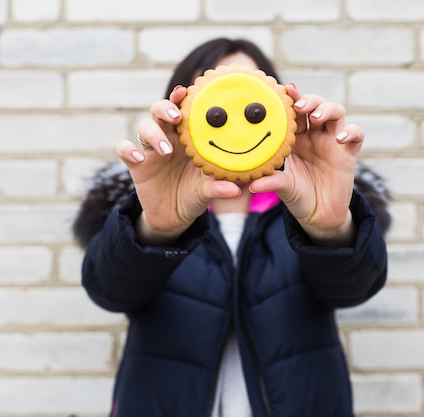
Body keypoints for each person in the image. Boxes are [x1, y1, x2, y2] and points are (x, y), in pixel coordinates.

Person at [73, 38, 390, 417]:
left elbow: (354, 290)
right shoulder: (141, 208)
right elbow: (109, 291)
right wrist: (155, 227)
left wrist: (330, 227)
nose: (234, 115)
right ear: (179, 113)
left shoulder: (306, 204)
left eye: (250, 94)